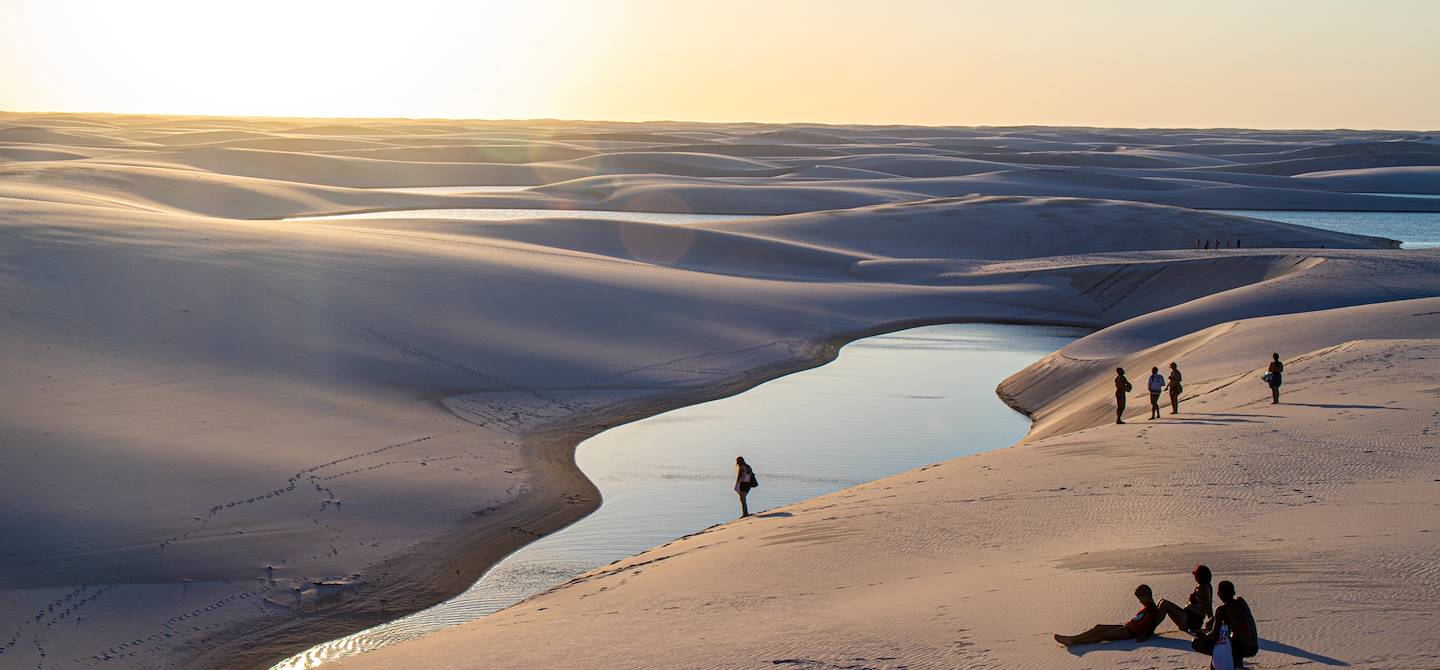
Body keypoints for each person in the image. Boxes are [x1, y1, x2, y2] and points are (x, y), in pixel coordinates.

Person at [1054, 584, 1163, 646]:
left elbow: (1152, 626)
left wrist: (1145, 636)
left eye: (1140, 598)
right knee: (1099, 627)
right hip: (1126, 627)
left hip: (1130, 632)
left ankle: (1075, 641)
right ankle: (1072, 638)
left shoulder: (1152, 609)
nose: (1139, 601)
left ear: (1147, 596)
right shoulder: (1147, 607)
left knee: (1103, 635)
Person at [1193, 580, 1259, 667]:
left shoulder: (1221, 610)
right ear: (1234, 592)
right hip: (1253, 647)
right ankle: (1237, 663)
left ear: (1219, 594)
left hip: (1240, 648)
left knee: (1197, 643)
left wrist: (1203, 636)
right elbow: (1236, 616)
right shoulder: (1241, 602)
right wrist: (1214, 619)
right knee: (1232, 639)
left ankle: (1221, 664)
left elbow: (1215, 635)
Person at [1158, 564, 1213, 635]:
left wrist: (1211, 622)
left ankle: (1151, 628)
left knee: (1164, 604)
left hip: (1191, 620)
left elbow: (1207, 606)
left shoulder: (1203, 588)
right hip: (1188, 617)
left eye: (1195, 574)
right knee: (1162, 602)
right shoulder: (1203, 586)